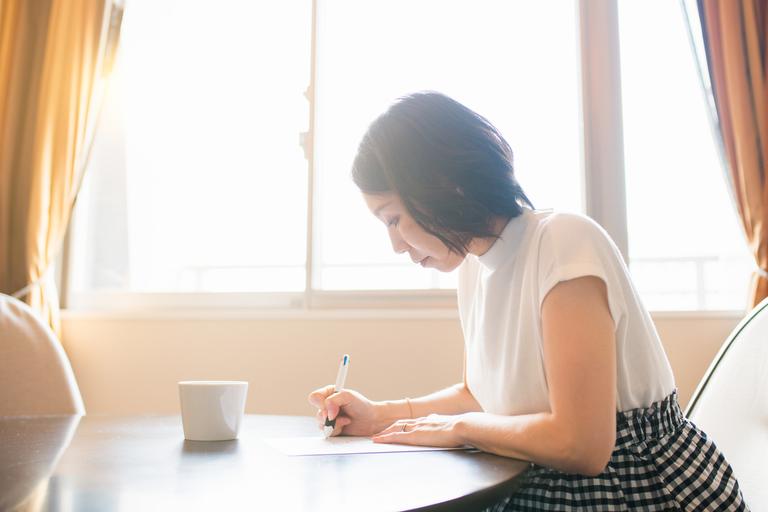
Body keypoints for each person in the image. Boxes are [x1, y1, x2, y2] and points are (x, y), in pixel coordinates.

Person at [307, 91, 748, 511]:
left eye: (394, 219)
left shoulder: (562, 242)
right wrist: (379, 415)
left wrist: (459, 430)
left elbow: (583, 444)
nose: (396, 246)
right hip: (536, 475)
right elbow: (481, 396)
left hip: (632, 484)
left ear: (442, 186)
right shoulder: (475, 266)